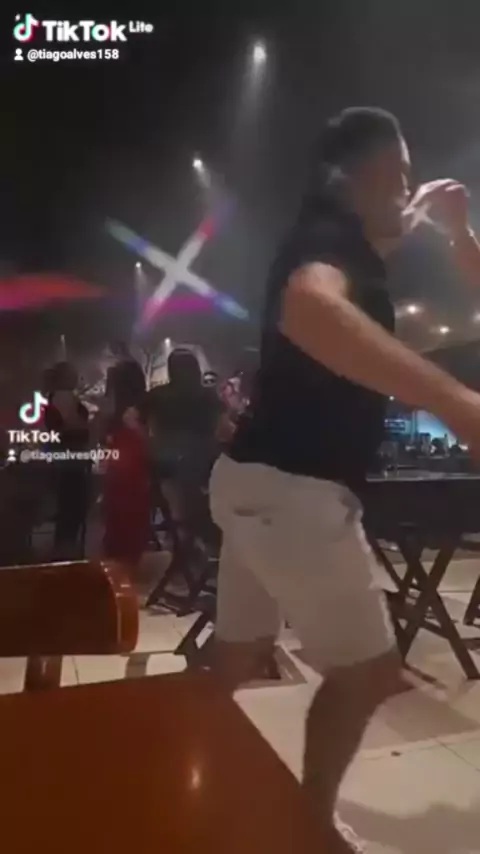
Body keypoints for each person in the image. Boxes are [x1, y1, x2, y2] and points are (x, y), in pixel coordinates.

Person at [206, 107, 480, 853]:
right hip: (294, 490)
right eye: (400, 173)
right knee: (366, 673)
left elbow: (380, 305)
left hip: (253, 482)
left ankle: (183, 770)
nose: (410, 189)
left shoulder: (347, 250)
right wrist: (458, 404)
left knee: (237, 652)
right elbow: (308, 307)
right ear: (354, 177)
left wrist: (453, 232)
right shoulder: (329, 239)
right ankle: (309, 830)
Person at [44, 361, 91, 559]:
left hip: (64, 457)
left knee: (68, 507)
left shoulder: (58, 397)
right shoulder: (63, 397)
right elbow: (72, 426)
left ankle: (64, 550)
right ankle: (65, 553)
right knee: (72, 507)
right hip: (71, 458)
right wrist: (92, 428)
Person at [103, 405, 151, 573]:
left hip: (123, 489)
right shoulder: (135, 437)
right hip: (130, 490)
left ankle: (120, 559)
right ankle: (126, 560)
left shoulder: (121, 436)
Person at [105, 340, 146, 418]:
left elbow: (109, 395)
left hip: (120, 412)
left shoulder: (113, 371)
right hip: (135, 412)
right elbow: (142, 387)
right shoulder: (136, 367)